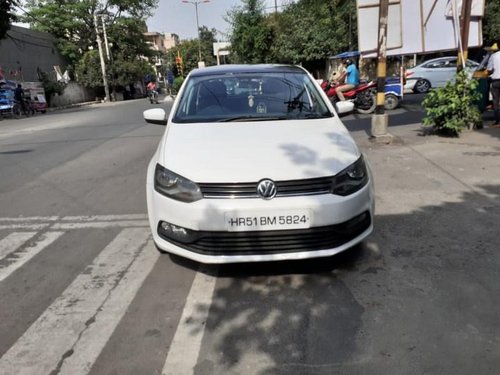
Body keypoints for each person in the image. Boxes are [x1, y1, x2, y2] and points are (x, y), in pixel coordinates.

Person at [487, 39, 500, 127]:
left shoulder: (494, 56)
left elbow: (489, 69)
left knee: (495, 101)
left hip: (496, 81)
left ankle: (497, 121)